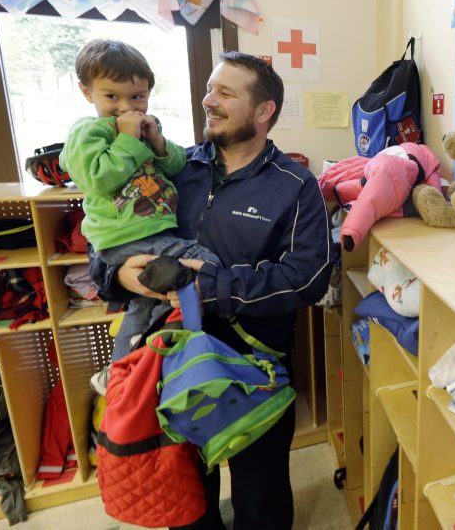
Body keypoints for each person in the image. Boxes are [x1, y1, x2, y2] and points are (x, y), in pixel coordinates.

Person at [88, 51, 335, 530]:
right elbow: (110, 240)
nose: (208, 100)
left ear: (263, 110)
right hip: (169, 363)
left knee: (261, 499)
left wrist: (211, 287)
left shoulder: (296, 185)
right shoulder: (170, 167)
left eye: (224, 92)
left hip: (253, 369)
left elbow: (307, 276)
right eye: (208, 89)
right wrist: (119, 278)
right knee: (186, 500)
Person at [59, 39, 221, 395]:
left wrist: (156, 140)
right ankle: (193, 347)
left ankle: (119, 374)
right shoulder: (89, 132)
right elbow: (98, 178)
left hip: (151, 231)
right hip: (126, 236)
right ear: (87, 92)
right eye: (111, 96)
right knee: (205, 262)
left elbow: (176, 165)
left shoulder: (145, 127)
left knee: (146, 305)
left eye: (137, 96)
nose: (126, 107)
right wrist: (127, 138)